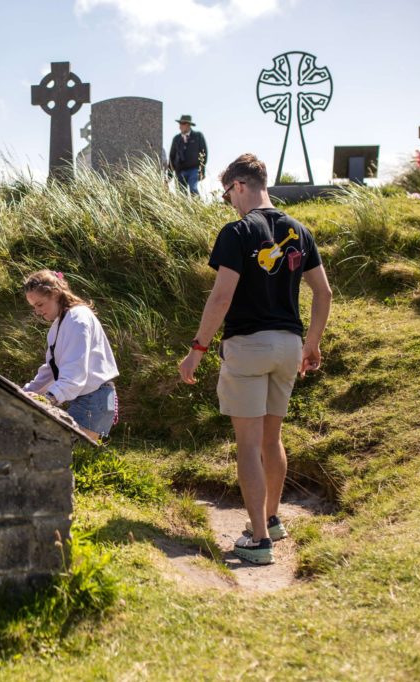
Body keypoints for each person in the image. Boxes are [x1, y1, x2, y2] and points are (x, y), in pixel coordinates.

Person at [178, 153, 332, 565]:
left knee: (247, 444)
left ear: (240, 185)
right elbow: (323, 292)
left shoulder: (237, 231)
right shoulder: (300, 230)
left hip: (248, 345)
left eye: (227, 192)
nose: (228, 201)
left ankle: (259, 541)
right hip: (288, 345)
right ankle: (272, 519)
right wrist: (312, 344)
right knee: (271, 438)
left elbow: (222, 296)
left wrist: (197, 350)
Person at [22, 270, 119, 441]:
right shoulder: (60, 324)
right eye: (34, 307)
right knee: (63, 454)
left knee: (65, 455)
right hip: (89, 399)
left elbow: (75, 372)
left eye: (40, 304)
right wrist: (24, 393)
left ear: (56, 294)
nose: (37, 312)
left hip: (94, 400)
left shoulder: (77, 320)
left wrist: (49, 398)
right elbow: (51, 370)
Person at [168, 114, 207, 195]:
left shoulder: (198, 136)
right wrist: (169, 175)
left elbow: (204, 153)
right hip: (180, 171)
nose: (180, 126)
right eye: (180, 124)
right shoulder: (176, 139)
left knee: (193, 188)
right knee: (181, 194)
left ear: (188, 125)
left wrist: (202, 170)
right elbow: (172, 157)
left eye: (182, 124)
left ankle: (197, 207)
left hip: (194, 169)